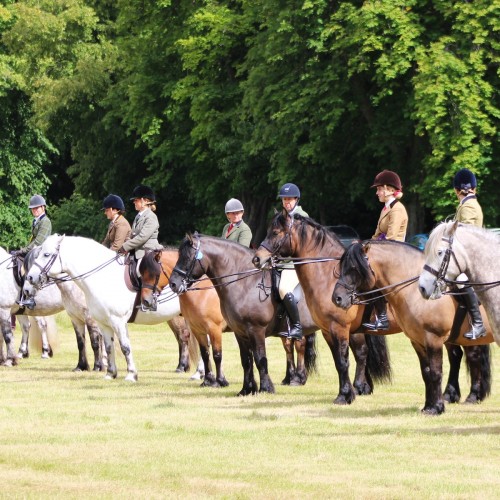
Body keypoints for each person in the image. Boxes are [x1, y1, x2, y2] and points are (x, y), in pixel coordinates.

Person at [363, 170, 408, 331]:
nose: (377, 193)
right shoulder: (385, 209)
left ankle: (382, 318)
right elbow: (377, 235)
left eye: (379, 189)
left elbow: (391, 238)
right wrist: (364, 246)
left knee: (373, 277)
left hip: (394, 254)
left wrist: (373, 249)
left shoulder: (397, 209)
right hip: (385, 252)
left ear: (389, 190)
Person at [452, 168, 486, 340]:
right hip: (467, 253)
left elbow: (464, 236)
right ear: (474, 188)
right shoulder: (468, 204)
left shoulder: (468, 206)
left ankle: (478, 323)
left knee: (460, 280)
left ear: (456, 190)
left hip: (470, 256)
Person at [277, 182, 308, 341]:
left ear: (296, 200)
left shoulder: (302, 217)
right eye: (284, 199)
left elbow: (301, 246)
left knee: (283, 288)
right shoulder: (281, 217)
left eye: (289, 199)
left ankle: (297, 326)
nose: (286, 202)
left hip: (295, 263)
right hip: (281, 262)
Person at [118, 185, 162, 274]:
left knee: (139, 273)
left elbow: (142, 237)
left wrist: (125, 246)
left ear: (145, 201)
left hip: (148, 252)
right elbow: (133, 234)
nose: (134, 202)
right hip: (137, 250)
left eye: (136, 200)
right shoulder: (138, 216)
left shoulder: (151, 217)